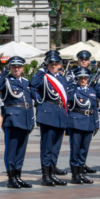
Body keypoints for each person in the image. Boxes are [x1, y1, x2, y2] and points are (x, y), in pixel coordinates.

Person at [30, 50, 71, 187]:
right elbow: (33, 85)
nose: (53, 65)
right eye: (51, 63)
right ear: (47, 64)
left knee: (56, 147)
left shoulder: (62, 79)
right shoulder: (44, 77)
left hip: (60, 114)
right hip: (48, 113)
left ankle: (53, 174)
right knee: (47, 147)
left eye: (56, 63)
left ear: (60, 65)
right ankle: (46, 176)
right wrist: (41, 69)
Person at [0, 57, 35, 189]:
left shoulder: (26, 82)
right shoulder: (6, 80)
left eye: (19, 67)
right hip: (13, 119)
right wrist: (4, 72)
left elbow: (29, 102)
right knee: (11, 150)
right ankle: (11, 178)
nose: (17, 69)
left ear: (22, 68)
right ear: (10, 68)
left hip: (25, 119)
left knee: (21, 150)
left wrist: (32, 120)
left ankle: (18, 176)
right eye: (14, 67)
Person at [67, 67, 98, 184]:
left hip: (89, 122)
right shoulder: (73, 90)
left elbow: (94, 108)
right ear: (77, 78)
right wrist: (71, 83)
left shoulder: (91, 91)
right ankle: (75, 175)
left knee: (84, 149)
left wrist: (96, 123)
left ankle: (81, 173)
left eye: (85, 77)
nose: (83, 80)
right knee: (76, 149)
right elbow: (68, 100)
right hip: (77, 122)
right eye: (81, 78)